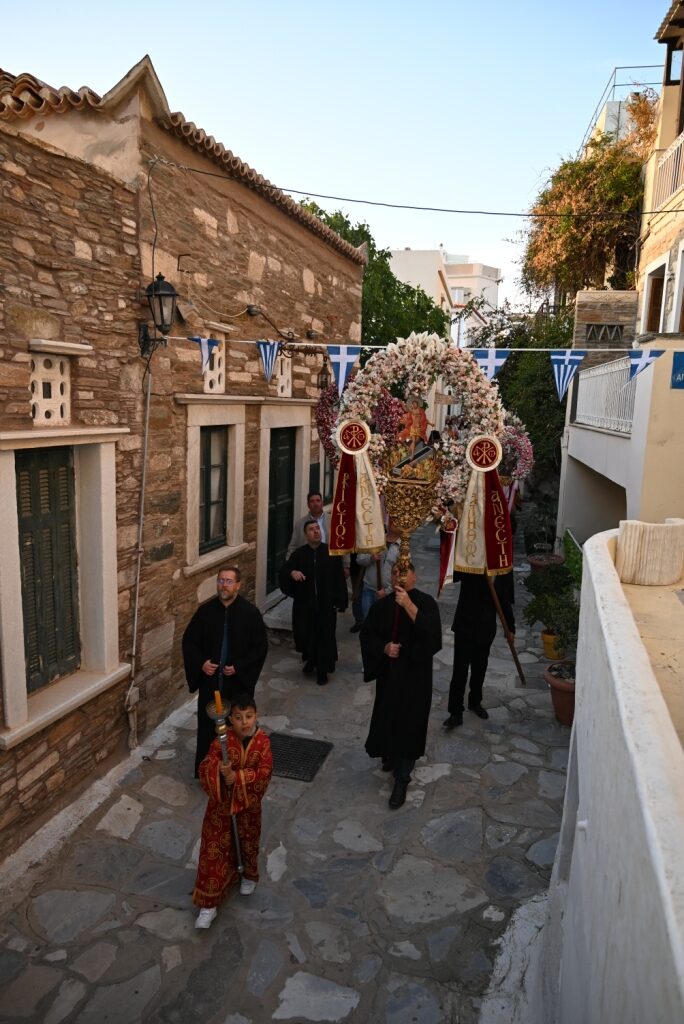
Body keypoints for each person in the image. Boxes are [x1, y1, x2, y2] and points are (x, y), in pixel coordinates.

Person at [361, 562, 442, 809]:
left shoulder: (426, 603)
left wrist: (408, 605)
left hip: (415, 677)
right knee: (388, 716)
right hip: (390, 676)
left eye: (405, 572)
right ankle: (390, 753)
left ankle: (402, 777)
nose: (400, 577)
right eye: (395, 573)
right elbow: (368, 635)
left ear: (414, 577)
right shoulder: (382, 606)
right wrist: (384, 648)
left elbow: (433, 637)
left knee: (410, 723)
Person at [193, 694, 273, 929]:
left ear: (256, 716)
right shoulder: (222, 741)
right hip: (221, 807)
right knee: (214, 849)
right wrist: (220, 770)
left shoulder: (263, 742)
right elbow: (206, 765)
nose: (244, 722)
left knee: (248, 841)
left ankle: (248, 874)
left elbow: (264, 772)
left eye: (249, 716)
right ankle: (208, 904)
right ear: (230, 719)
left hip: (248, 806)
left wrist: (237, 777)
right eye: (238, 717)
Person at [182, 566, 268, 776]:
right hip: (211, 684)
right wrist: (202, 663)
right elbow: (189, 642)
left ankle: (236, 773)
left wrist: (239, 667)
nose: (224, 585)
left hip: (237, 685)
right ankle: (208, 773)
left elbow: (259, 648)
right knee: (207, 729)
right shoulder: (205, 612)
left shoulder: (250, 613)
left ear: (237, 585)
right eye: (221, 581)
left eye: (229, 581)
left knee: (238, 728)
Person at [279, 519, 348, 685]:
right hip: (306, 605)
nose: (316, 531)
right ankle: (311, 661)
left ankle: (322, 670)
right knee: (307, 635)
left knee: (324, 637)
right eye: (311, 529)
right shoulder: (299, 554)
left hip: (326, 605)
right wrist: (292, 573)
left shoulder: (331, 553)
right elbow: (284, 571)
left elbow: (339, 578)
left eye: (317, 528)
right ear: (305, 535)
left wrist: (340, 601)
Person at [443, 572, 515, 730]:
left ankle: (475, 702)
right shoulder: (471, 563)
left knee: (480, 667)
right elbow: (455, 575)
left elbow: (504, 600)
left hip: (486, 626)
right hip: (465, 624)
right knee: (460, 670)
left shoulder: (503, 569)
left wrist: (510, 627)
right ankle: (455, 712)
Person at [355, 525, 401, 622]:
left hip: (389, 595)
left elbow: (403, 575)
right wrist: (371, 558)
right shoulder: (374, 539)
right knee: (368, 622)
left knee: (385, 624)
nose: (394, 523)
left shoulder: (403, 547)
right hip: (369, 590)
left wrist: (387, 591)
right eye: (392, 519)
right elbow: (359, 559)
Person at [286, 491, 330, 557]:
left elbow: (342, 544)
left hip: (329, 560)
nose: (315, 504)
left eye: (318, 500)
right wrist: (289, 561)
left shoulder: (332, 520)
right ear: (308, 505)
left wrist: (345, 562)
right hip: (307, 561)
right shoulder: (300, 524)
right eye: (312, 501)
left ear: (322, 503)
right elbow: (293, 547)